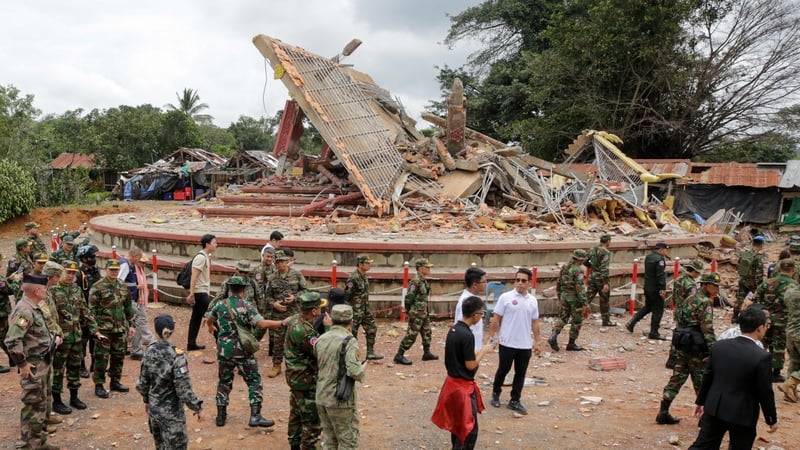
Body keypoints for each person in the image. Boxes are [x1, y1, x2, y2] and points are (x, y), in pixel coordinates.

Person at [687, 307, 777, 449]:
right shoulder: (761, 356)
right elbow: (765, 391)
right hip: (742, 413)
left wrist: (701, 401)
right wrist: (771, 418)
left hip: (715, 407)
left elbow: (708, 376)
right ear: (760, 328)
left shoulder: (719, 346)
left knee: (703, 445)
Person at [205, 276, 285, 428]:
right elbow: (261, 323)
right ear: (243, 290)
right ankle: (255, 415)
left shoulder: (221, 304)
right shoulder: (246, 305)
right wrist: (282, 322)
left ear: (229, 289)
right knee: (254, 380)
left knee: (224, 382)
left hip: (224, 351)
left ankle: (221, 416)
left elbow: (210, 318)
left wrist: (210, 326)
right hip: (242, 351)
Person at [4, 274, 62, 450]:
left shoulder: (34, 307)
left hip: (43, 362)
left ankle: (39, 442)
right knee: (33, 405)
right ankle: (29, 444)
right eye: (44, 288)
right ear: (37, 290)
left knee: (42, 404)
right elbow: (12, 340)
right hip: (34, 367)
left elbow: (36, 333)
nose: (46, 291)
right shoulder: (25, 311)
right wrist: (22, 364)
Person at [432, 295, 495, 450]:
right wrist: (484, 351)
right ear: (475, 315)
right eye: (481, 314)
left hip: (451, 383)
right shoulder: (467, 335)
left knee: (457, 426)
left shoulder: (454, 329)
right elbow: (470, 365)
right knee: (468, 430)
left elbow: (460, 355)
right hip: (462, 387)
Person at [656, 272, 718, 425]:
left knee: (676, 379)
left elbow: (681, 321)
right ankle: (704, 419)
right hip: (698, 348)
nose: (716, 289)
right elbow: (707, 329)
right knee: (702, 383)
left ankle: (663, 411)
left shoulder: (689, 299)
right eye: (713, 286)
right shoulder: (705, 302)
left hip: (683, 345)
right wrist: (713, 350)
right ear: (704, 285)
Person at [136, 314, 204, 450]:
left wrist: (146, 401)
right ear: (172, 331)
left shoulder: (149, 350)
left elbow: (143, 382)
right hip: (172, 416)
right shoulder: (176, 355)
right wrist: (197, 408)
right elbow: (183, 389)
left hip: (155, 413)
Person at [50, 261, 105, 415]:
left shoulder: (76, 289)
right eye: (68, 272)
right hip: (61, 339)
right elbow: (49, 317)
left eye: (73, 273)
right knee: (58, 370)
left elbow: (85, 311)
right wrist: (55, 334)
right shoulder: (53, 291)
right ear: (61, 273)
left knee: (75, 367)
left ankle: (74, 397)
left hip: (76, 338)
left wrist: (95, 330)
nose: (70, 276)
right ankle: (57, 401)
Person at [487, 268, 543, 415]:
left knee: (521, 373)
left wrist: (537, 341)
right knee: (503, 370)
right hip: (507, 342)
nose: (520, 283)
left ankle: (515, 400)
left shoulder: (532, 301)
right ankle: (495, 394)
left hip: (524, 344)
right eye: (517, 280)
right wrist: (491, 336)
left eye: (523, 281)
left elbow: (535, 322)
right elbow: (496, 317)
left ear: (529, 283)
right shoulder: (505, 297)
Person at [314, 304, 366, 450]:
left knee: (329, 440)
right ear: (351, 322)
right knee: (347, 441)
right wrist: (362, 369)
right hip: (340, 399)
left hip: (322, 396)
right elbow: (354, 371)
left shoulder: (321, 338)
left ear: (332, 320)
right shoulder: (350, 341)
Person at [284, 291, 330, 450]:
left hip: (296, 377)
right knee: (311, 421)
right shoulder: (304, 331)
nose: (321, 311)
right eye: (319, 308)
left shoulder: (295, 319)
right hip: (306, 380)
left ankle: (294, 445)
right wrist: (329, 329)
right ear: (314, 311)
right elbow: (322, 351)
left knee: (296, 414)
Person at [89, 259, 136, 398]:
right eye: (112, 270)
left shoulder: (122, 285)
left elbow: (128, 307)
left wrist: (131, 324)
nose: (114, 272)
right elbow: (91, 310)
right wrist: (95, 330)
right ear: (106, 269)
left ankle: (115, 381)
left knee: (118, 357)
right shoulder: (98, 287)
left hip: (120, 329)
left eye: (116, 270)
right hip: (104, 330)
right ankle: (99, 385)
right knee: (101, 359)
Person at [264, 249, 308, 377]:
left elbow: (306, 291)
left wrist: (295, 297)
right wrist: (274, 304)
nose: (280, 264)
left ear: (287, 261)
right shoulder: (272, 278)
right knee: (278, 341)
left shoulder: (297, 275)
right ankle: (276, 365)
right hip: (279, 315)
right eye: (277, 262)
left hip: (294, 313)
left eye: (282, 261)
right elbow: (267, 297)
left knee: (297, 340)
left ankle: (296, 366)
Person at [753, 257, 797, 382]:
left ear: (779, 269)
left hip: (764, 319)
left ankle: (757, 369)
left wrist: (762, 311)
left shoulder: (767, 282)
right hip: (783, 320)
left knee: (762, 343)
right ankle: (775, 372)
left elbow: (755, 299)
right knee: (778, 346)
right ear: (793, 270)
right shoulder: (794, 285)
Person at [394, 258, 439, 365]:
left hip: (423, 312)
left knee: (427, 332)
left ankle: (426, 353)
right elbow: (409, 298)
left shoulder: (423, 280)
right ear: (420, 268)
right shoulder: (415, 282)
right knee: (411, 335)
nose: (429, 269)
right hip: (416, 313)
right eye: (427, 267)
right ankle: (399, 355)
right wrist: (410, 311)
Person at [665, 258, 704, 369]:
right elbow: (693, 301)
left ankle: (672, 358)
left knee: (678, 333)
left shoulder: (679, 279)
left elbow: (674, 296)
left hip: (678, 309)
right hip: (686, 313)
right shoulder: (691, 285)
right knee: (684, 336)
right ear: (695, 271)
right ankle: (678, 359)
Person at [548, 249, 589, 352]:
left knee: (563, 317)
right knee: (577, 321)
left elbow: (559, 282)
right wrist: (585, 302)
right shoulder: (578, 270)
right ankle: (571, 344)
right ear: (581, 259)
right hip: (574, 299)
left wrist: (559, 295)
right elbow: (579, 287)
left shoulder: (565, 267)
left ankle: (553, 335)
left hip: (564, 296)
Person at [627, 242, 669, 339]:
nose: (666, 252)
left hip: (648, 287)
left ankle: (632, 322)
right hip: (656, 288)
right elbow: (660, 275)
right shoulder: (660, 260)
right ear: (661, 249)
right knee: (658, 310)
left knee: (648, 307)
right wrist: (662, 288)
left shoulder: (649, 257)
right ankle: (654, 332)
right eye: (666, 250)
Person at [345, 255, 383, 360]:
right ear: (361, 264)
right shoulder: (353, 278)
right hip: (355, 310)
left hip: (365, 309)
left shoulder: (364, 276)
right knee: (352, 333)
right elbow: (347, 295)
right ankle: (351, 355)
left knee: (372, 329)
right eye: (367, 263)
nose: (369, 265)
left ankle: (370, 353)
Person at [119, 247, 154, 361]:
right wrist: (135, 287)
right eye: (138, 258)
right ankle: (136, 350)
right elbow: (120, 282)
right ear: (134, 256)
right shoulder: (125, 265)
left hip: (131, 298)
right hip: (130, 299)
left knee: (128, 324)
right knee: (136, 323)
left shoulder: (129, 265)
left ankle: (124, 347)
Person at [186, 233, 217, 351]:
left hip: (201, 291)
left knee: (196, 318)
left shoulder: (205, 257)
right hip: (199, 292)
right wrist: (192, 292)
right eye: (214, 242)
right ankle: (221, 341)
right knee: (212, 316)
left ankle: (191, 343)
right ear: (207, 244)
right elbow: (194, 276)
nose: (216, 245)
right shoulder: (201, 257)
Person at [77, 244, 101, 379]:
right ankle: (81, 366)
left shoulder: (95, 271)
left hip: (95, 311)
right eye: (91, 257)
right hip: (83, 312)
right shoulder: (79, 274)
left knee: (95, 338)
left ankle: (94, 363)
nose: (94, 259)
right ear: (84, 259)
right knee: (83, 340)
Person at [733, 235, 766, 323]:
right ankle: (755, 317)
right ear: (761, 245)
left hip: (742, 279)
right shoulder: (758, 258)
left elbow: (738, 267)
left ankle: (735, 317)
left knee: (740, 298)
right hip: (752, 282)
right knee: (758, 299)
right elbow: (758, 275)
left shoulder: (745, 254)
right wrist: (760, 285)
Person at [454, 267, 487, 352]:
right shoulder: (466, 302)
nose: (486, 284)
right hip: (468, 348)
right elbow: (462, 326)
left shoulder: (473, 298)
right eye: (484, 282)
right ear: (475, 285)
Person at [0, 253, 23, 374]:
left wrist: (10, 278)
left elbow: (3, 284)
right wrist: (16, 281)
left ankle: (12, 359)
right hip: (1, 312)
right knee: (3, 337)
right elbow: (8, 290)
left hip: (2, 312)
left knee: (5, 336)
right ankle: (12, 358)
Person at [586, 234, 616, 326]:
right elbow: (604, 268)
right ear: (608, 242)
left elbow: (584, 260)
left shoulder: (592, 249)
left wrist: (591, 267)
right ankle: (605, 320)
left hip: (592, 276)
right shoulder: (605, 252)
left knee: (587, 298)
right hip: (601, 278)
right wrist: (606, 283)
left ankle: (575, 317)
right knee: (604, 299)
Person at [780, 282, 800, 402]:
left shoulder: (790, 292)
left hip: (791, 331)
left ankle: (789, 394)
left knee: (795, 361)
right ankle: (790, 383)